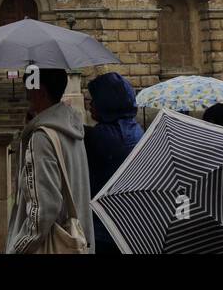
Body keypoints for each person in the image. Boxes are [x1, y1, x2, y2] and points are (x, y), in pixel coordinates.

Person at [7, 67, 94, 254]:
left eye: (29, 90)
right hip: (77, 239)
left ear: (40, 91)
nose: (27, 96)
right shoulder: (72, 127)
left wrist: (17, 248)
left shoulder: (42, 138)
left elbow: (43, 210)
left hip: (50, 246)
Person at [84, 73, 142, 254]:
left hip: (106, 231)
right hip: (131, 226)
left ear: (107, 102)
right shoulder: (136, 128)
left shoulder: (104, 137)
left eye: (94, 100)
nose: (89, 105)